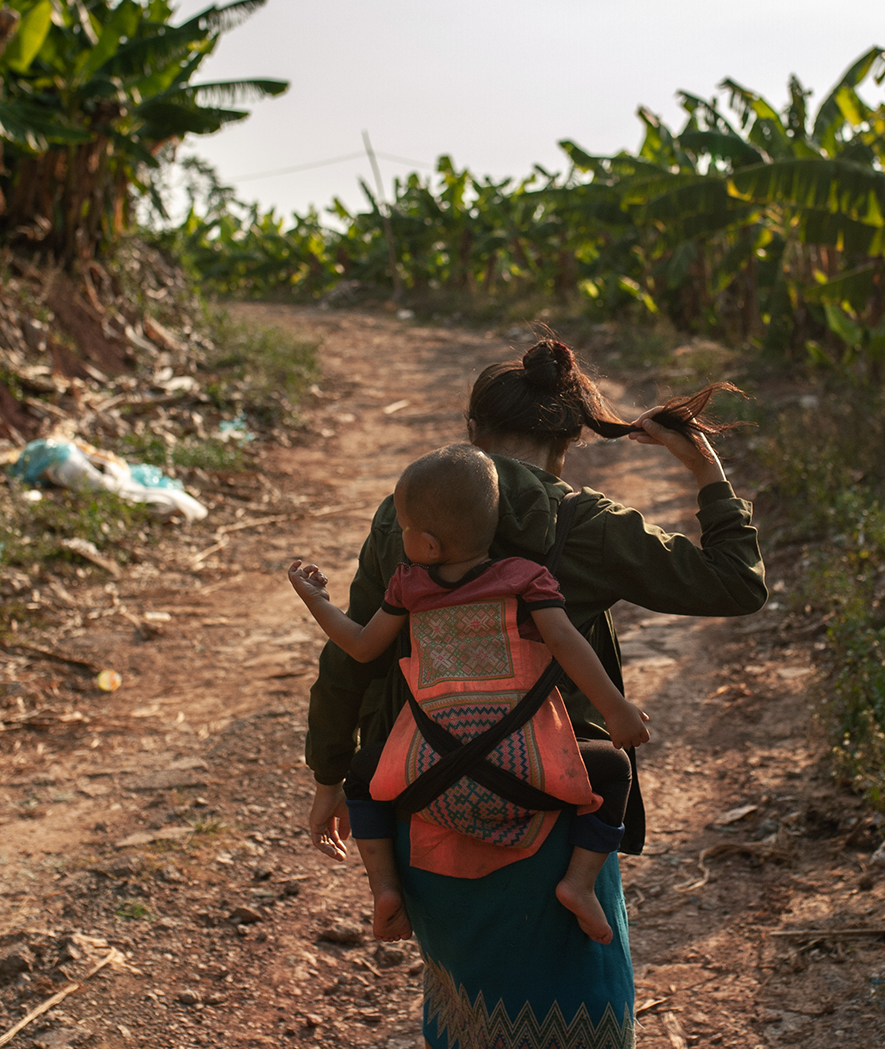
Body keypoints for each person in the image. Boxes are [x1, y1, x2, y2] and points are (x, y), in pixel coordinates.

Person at [302, 339, 766, 1049]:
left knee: (467, 1000)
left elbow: (354, 654)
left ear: (473, 432)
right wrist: (706, 472)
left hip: (424, 796)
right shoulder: (589, 526)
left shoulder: (407, 515)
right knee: (572, 1003)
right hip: (553, 797)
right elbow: (736, 582)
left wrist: (331, 773)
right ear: (569, 439)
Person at [285, 443, 649, 944]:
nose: (401, 536)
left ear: (428, 546)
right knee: (614, 770)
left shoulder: (408, 588)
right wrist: (617, 711)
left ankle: (385, 887)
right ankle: (580, 884)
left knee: (363, 772)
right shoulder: (527, 579)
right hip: (529, 769)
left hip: (425, 771)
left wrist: (316, 601)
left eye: (406, 528)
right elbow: (566, 643)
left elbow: (361, 647)